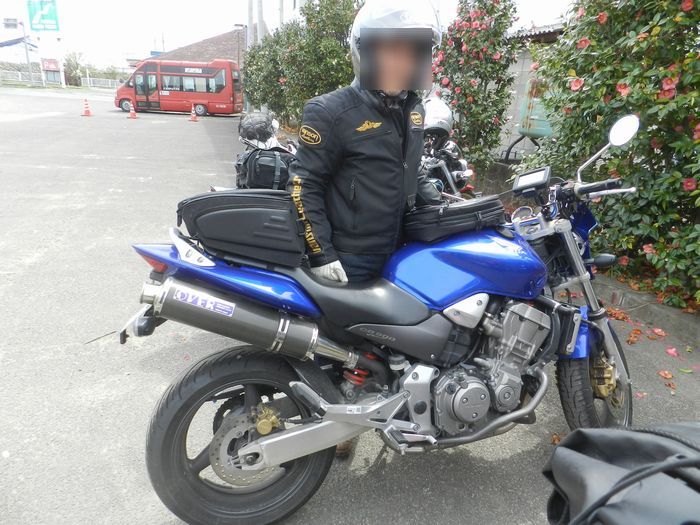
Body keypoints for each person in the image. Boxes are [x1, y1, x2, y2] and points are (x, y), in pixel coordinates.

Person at [288, 1, 443, 283]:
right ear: (365, 52)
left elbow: (411, 169)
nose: (400, 63)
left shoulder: (413, 109)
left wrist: (443, 211)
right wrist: (321, 254)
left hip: (402, 250)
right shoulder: (330, 112)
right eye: (391, 52)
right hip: (351, 258)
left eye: (410, 54)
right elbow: (304, 185)